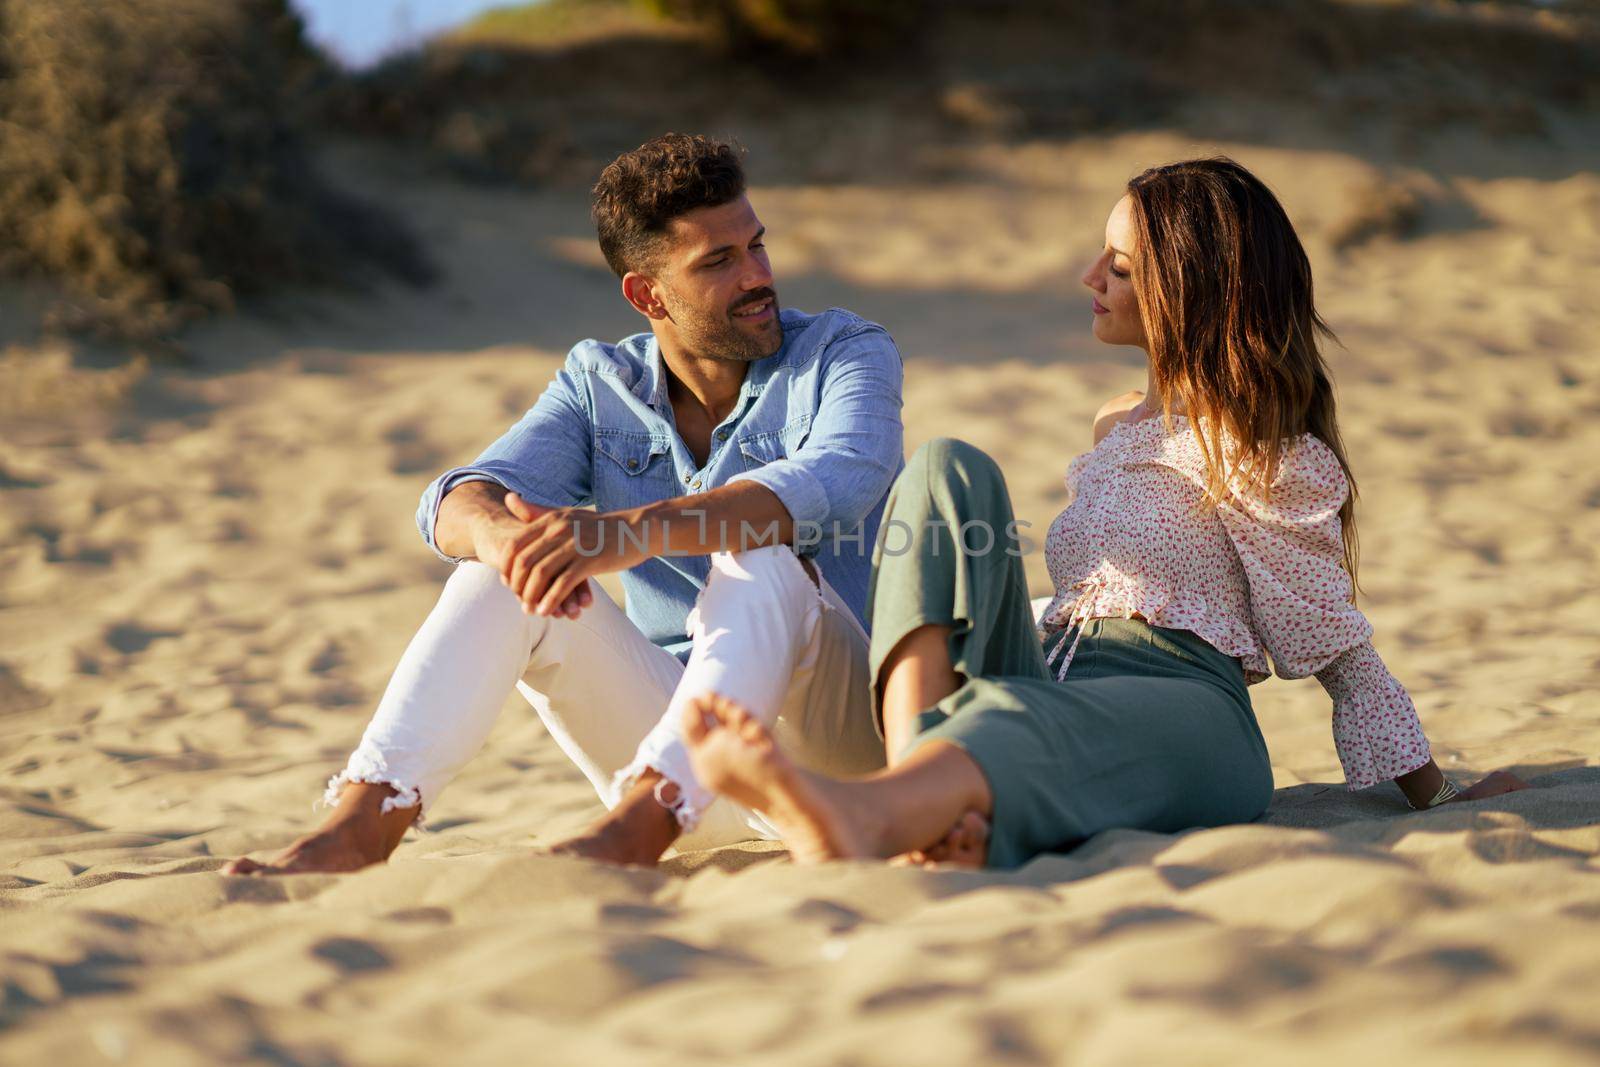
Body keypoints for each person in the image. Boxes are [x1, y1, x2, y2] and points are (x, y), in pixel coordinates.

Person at [681, 157, 1530, 869]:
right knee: (943, 470)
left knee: (1030, 720)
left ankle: (879, 815)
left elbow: (1334, 642)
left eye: (1121, 267)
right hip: (1045, 668)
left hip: (1184, 709)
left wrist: (1437, 791)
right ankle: (916, 789)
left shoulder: (1260, 450)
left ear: (1194, 290)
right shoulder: (1115, 424)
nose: (1091, 278)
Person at [224, 133, 904, 875]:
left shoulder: (842, 350)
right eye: (719, 261)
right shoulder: (599, 383)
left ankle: (645, 821)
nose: (757, 276)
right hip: (675, 751)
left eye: (756, 246)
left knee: (765, 560)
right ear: (648, 295)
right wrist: (504, 537)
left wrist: (632, 532)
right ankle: (364, 821)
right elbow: (454, 498)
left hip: (839, 760)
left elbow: (845, 470)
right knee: (505, 564)